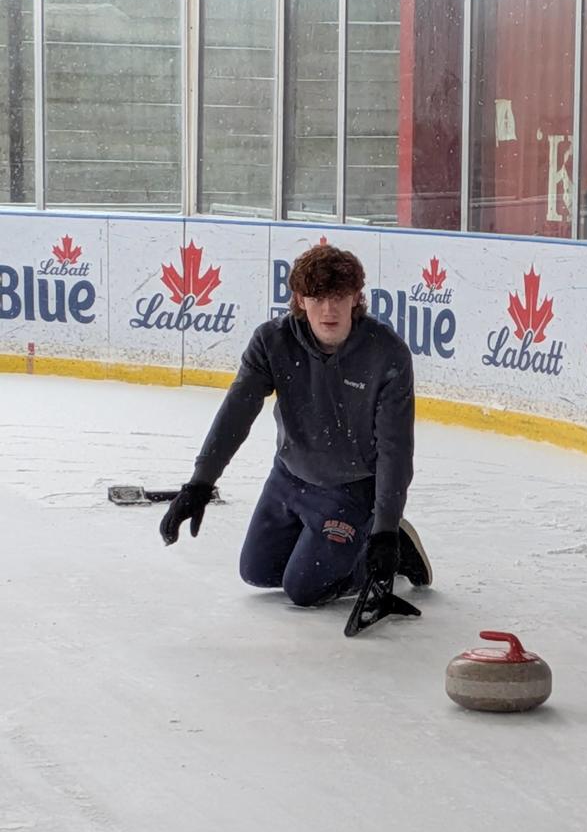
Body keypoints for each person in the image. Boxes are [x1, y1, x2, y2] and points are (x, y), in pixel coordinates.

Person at [159, 243, 431, 608]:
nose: (329, 310)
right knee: (258, 572)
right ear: (300, 300)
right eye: (316, 298)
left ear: (355, 297)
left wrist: (384, 529)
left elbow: (395, 449)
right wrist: (200, 482)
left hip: (351, 488)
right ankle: (340, 541)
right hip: (289, 478)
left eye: (338, 297)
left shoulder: (386, 354)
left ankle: (384, 543)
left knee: (304, 590)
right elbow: (237, 410)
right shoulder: (273, 342)